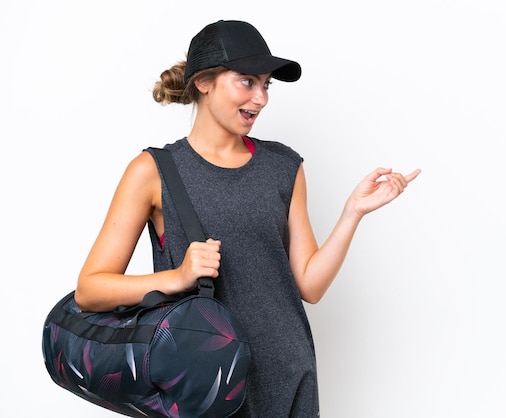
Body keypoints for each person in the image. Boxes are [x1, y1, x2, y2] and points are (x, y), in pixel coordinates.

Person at [74, 19, 420, 417]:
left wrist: (352, 214)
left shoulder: (283, 166)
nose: (261, 98)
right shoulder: (153, 171)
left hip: (288, 374)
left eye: (266, 85)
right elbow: (90, 289)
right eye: (247, 82)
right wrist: (177, 277)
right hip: (205, 384)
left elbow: (309, 285)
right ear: (204, 82)